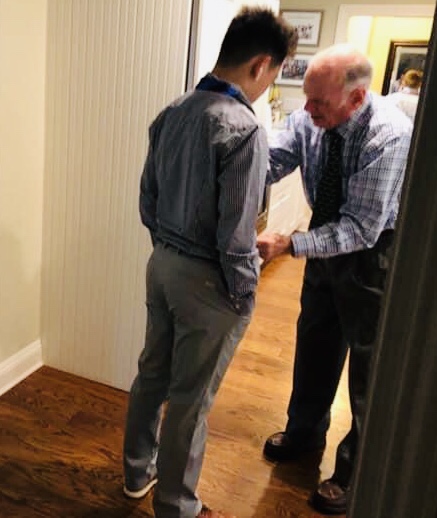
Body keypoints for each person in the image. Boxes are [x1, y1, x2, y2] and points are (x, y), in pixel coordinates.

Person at [122, 8, 297, 518]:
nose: (267, 86)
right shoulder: (244, 128)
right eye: (274, 75)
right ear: (261, 65)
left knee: (152, 374)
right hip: (207, 280)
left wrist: (169, 247)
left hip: (162, 264)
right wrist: (244, 293)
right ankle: (176, 504)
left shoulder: (173, 110)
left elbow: (147, 200)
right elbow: (236, 236)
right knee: (191, 397)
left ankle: (137, 473)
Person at [257, 44, 413, 515]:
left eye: (319, 102)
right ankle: (304, 434)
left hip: (372, 255)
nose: (307, 110)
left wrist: (291, 244)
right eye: (307, 98)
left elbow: (361, 227)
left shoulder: (389, 135)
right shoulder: (310, 118)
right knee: (315, 343)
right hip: (324, 242)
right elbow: (273, 160)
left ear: (357, 97)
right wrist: (233, 171)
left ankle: (353, 469)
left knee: (368, 366)